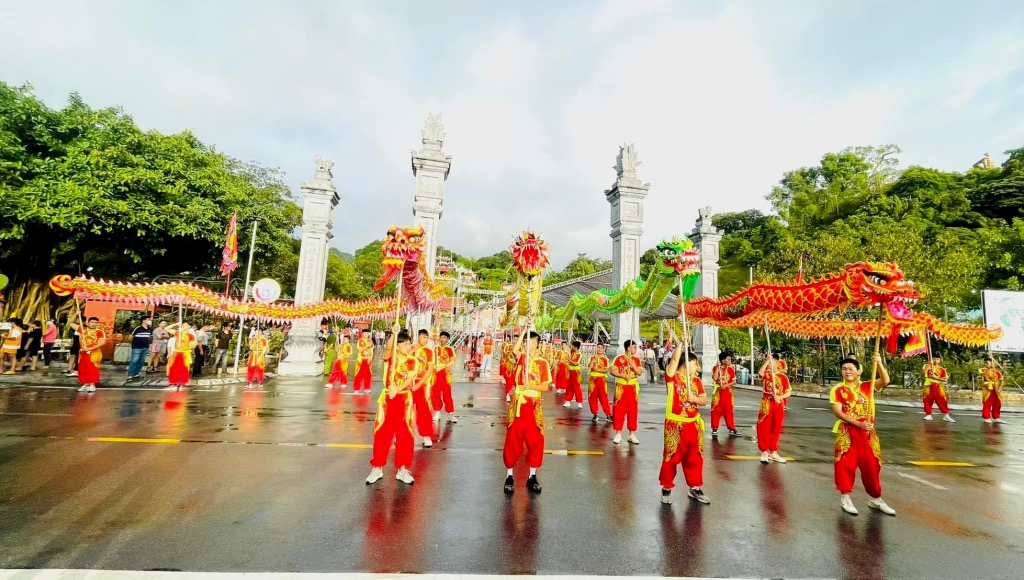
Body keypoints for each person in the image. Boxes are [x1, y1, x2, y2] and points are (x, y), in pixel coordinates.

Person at [831, 355, 896, 516]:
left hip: (868, 433)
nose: (847, 371)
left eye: (851, 369)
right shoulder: (838, 389)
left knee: (872, 465)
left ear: (859, 372)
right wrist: (858, 423)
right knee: (845, 465)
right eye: (844, 369)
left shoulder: (867, 386)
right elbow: (838, 412)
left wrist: (879, 362)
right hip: (848, 431)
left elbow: (885, 380)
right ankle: (845, 497)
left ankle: (875, 499)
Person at [366, 327, 419, 486]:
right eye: (405, 344)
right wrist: (394, 335)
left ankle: (402, 470)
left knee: (405, 434)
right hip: (387, 399)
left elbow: (410, 378)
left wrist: (399, 389)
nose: (409, 346)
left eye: (410, 343)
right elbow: (388, 349)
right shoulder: (391, 357)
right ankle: (377, 467)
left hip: (404, 400)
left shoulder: (412, 360)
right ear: (398, 345)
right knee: (382, 433)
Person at [503, 329, 551, 494]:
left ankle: (532, 476)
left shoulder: (542, 362)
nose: (526, 344)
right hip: (518, 405)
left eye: (531, 341)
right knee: (513, 438)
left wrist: (530, 386)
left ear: (537, 343)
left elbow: (545, 386)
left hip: (533, 405)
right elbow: (514, 350)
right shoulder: (521, 358)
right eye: (525, 341)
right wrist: (523, 330)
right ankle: (509, 475)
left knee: (536, 439)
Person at [661, 342, 710, 505]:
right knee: (672, 457)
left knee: (695, 457)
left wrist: (694, 398)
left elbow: (704, 400)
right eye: (695, 364)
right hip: (675, 425)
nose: (697, 368)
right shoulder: (672, 377)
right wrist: (682, 342)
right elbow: (674, 359)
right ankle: (666, 487)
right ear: (686, 363)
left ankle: (694, 487)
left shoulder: (697, 381)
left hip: (693, 425)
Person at [757, 354, 791, 464]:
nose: (771, 363)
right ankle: (764, 451)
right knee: (764, 426)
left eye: (773, 361)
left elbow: (788, 392)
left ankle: (773, 451)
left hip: (778, 403)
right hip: (766, 403)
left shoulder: (783, 377)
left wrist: (780, 397)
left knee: (776, 427)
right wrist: (767, 361)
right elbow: (760, 373)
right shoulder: (767, 374)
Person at [610, 339, 645, 445]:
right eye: (634, 347)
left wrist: (632, 365)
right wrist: (623, 376)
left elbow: (639, 372)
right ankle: (618, 433)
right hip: (621, 387)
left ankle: (632, 434)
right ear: (628, 348)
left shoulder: (637, 360)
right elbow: (612, 371)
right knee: (619, 409)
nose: (636, 349)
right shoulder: (618, 358)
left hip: (633, 388)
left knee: (633, 410)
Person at [413, 329, 437, 447]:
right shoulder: (409, 349)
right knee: (404, 409)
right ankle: (400, 433)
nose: (425, 339)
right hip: (407, 384)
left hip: (422, 384)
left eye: (427, 337)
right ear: (417, 337)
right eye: (423, 337)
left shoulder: (429, 352)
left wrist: (420, 383)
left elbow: (430, 369)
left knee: (424, 410)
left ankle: (426, 435)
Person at [711, 352, 742, 437]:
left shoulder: (731, 369)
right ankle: (714, 428)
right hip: (718, 393)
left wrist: (726, 385)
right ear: (723, 360)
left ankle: (731, 428)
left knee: (729, 411)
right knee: (716, 410)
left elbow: (734, 381)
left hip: (727, 393)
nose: (730, 360)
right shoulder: (715, 368)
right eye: (728, 359)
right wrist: (717, 368)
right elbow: (715, 378)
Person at [71, 316, 106, 392]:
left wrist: (90, 348)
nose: (94, 324)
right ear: (88, 323)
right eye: (92, 322)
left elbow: (102, 343)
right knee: (83, 369)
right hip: (83, 352)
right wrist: (76, 314)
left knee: (92, 369)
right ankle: (86, 384)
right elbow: (71, 323)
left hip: (94, 354)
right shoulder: (82, 330)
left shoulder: (99, 332)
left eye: (96, 322)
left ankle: (92, 384)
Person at [432, 331, 458, 423]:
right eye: (441, 337)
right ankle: (437, 412)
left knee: (447, 394)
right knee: (435, 393)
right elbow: (431, 358)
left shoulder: (450, 349)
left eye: (444, 337)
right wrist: (434, 345)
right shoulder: (436, 348)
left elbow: (452, 361)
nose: (442, 339)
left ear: (447, 339)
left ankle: (450, 413)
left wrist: (443, 366)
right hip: (435, 374)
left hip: (445, 374)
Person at [922, 355, 955, 423]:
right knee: (927, 400)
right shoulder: (927, 366)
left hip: (938, 386)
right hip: (929, 385)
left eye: (937, 359)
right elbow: (928, 374)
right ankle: (928, 414)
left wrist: (939, 379)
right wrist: (930, 367)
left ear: (939, 360)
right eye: (934, 359)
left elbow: (945, 379)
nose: (935, 360)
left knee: (942, 400)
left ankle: (946, 415)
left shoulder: (942, 369)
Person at [166, 322, 197, 389]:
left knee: (184, 368)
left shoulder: (191, 335)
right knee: (174, 367)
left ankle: (183, 381)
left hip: (185, 353)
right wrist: (176, 324)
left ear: (189, 326)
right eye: (183, 324)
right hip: (176, 352)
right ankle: (173, 381)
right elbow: (167, 328)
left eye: (185, 325)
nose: (183, 326)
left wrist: (184, 343)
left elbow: (193, 345)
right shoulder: (178, 333)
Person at [588, 343, 612, 423]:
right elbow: (589, 368)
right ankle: (595, 414)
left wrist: (597, 370)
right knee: (592, 397)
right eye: (598, 347)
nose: (599, 349)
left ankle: (608, 415)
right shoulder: (591, 358)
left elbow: (607, 370)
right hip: (593, 380)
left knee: (603, 397)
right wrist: (592, 361)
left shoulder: (605, 359)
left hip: (601, 379)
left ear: (603, 349)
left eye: (601, 348)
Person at [126, 316, 153, 381]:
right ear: (143, 321)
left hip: (145, 347)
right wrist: (133, 343)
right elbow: (130, 337)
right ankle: (130, 375)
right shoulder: (137, 328)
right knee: (134, 360)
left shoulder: (149, 329)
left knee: (141, 361)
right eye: (148, 319)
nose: (150, 321)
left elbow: (149, 338)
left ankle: (136, 374)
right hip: (137, 347)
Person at [980, 357, 1004, 423]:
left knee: (997, 403)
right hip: (988, 389)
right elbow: (985, 375)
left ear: (992, 363)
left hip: (996, 389)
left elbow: (1002, 381)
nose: (986, 364)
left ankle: (996, 417)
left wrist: (999, 388)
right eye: (985, 363)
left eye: (987, 363)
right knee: (987, 403)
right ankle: (986, 417)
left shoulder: (997, 372)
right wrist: (990, 369)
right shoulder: (983, 370)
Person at [562, 340, 585, 409]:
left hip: (576, 372)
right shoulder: (572, 352)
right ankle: (567, 401)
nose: (571, 347)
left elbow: (576, 363)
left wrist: (569, 360)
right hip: (570, 371)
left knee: (576, 387)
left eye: (573, 346)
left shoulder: (579, 354)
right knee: (569, 387)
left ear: (576, 347)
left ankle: (579, 402)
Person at [500, 334, 517, 402]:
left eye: (517, 339)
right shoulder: (508, 346)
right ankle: (507, 395)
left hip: (517, 368)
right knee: (509, 382)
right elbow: (504, 355)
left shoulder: (521, 348)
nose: (515, 340)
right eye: (514, 339)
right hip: (510, 368)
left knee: (517, 383)